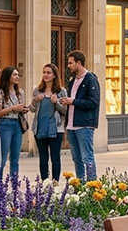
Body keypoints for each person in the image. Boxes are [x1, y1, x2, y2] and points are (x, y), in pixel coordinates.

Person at [61, 50, 100, 180]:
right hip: (72, 125)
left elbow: (93, 102)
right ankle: (80, 184)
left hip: (84, 125)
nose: (68, 66)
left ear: (79, 63)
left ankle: (92, 185)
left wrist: (73, 101)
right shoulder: (73, 81)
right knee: (76, 158)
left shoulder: (91, 79)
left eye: (70, 63)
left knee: (87, 156)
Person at [30, 63, 69, 179]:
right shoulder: (37, 90)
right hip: (40, 127)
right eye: (44, 72)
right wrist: (35, 101)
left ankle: (55, 183)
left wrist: (55, 103)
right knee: (43, 157)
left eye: (48, 73)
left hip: (56, 129)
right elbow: (31, 109)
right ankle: (44, 182)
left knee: (55, 157)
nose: (45, 75)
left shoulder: (61, 91)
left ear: (54, 76)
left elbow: (65, 112)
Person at [0, 66, 28, 181]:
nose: (17, 77)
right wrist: (12, 108)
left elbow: (20, 109)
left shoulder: (20, 93)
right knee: (3, 157)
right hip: (5, 124)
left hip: (17, 125)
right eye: (14, 75)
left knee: (15, 158)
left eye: (18, 75)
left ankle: (14, 186)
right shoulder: (0, 93)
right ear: (7, 76)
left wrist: (23, 109)